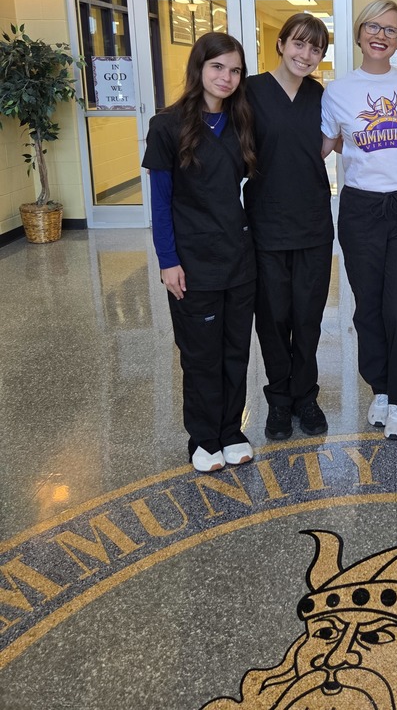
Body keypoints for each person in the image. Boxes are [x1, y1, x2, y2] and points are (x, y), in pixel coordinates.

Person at [142, 32, 257, 472]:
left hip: (238, 257)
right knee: (200, 355)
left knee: (235, 352)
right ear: (199, 68)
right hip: (192, 261)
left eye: (235, 70)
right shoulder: (167, 126)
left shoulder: (240, 121)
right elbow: (160, 201)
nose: (226, 77)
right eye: (218, 67)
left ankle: (231, 431)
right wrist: (167, 260)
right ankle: (204, 438)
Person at [321, 0, 397, 441]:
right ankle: (381, 389)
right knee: (368, 306)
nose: (381, 35)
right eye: (373, 26)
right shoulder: (336, 90)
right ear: (358, 32)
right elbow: (325, 145)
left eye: (390, 29)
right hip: (361, 208)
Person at [244, 13, 333, 441]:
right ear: (280, 44)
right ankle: (279, 400)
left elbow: (325, 144)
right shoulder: (251, 91)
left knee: (308, 317)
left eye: (316, 48)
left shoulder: (320, 95)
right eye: (299, 43)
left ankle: (305, 396)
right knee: (274, 317)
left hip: (313, 222)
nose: (306, 54)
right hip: (267, 222)